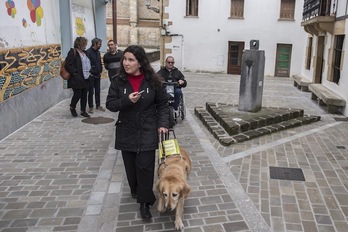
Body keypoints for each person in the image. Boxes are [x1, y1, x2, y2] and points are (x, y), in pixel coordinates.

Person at [106, 45, 169, 219]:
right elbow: (110, 105)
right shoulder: (118, 81)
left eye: (131, 59)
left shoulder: (154, 81)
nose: (126, 63)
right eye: (125, 59)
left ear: (140, 62)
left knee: (145, 168)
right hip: (127, 130)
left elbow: (163, 104)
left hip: (148, 129)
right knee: (131, 170)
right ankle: (135, 190)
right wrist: (126, 100)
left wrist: (163, 123)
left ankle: (144, 202)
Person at [64, 36, 91, 118]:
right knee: (77, 94)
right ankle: (72, 107)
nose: (86, 45)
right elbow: (68, 64)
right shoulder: (73, 52)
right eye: (85, 43)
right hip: (77, 78)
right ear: (81, 43)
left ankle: (83, 111)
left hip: (86, 76)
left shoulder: (85, 53)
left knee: (84, 94)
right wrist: (75, 72)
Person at [86, 38, 105, 113]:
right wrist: (90, 72)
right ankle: (91, 106)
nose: (101, 45)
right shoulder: (88, 52)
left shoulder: (98, 52)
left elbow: (99, 62)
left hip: (98, 74)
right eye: (99, 44)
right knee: (91, 92)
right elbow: (87, 64)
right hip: (91, 75)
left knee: (98, 91)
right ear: (95, 44)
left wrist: (100, 70)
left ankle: (98, 105)